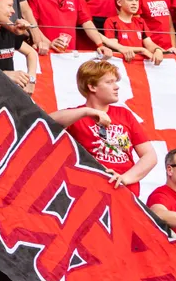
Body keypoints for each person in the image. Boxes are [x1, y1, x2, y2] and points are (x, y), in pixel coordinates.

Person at [49, 58, 157, 196]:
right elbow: (46, 121)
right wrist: (87, 112)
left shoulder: (124, 114)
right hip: (91, 194)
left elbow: (150, 156)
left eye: (115, 81)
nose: (116, 86)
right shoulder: (77, 115)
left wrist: (126, 178)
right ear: (92, 87)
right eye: (109, 82)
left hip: (126, 194)